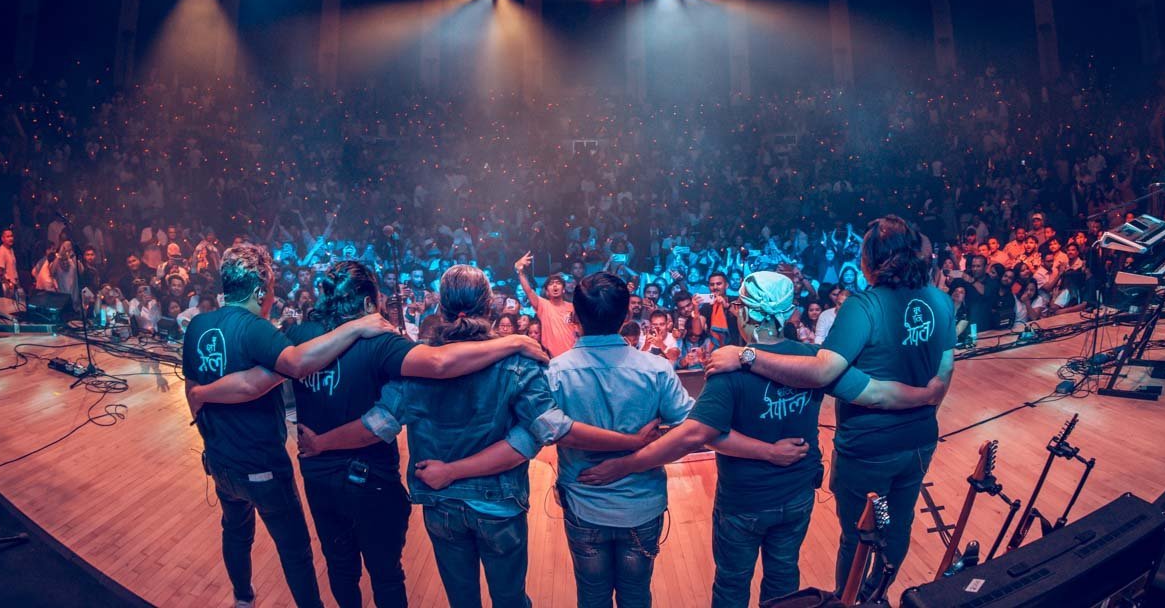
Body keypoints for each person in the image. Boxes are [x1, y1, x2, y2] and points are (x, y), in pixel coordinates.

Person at [187, 260, 553, 608]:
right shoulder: (381, 339)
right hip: (372, 481)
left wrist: (202, 393)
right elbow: (439, 365)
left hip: (318, 478)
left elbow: (254, 383)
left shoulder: (298, 337)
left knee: (340, 568)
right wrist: (513, 342)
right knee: (387, 576)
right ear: (366, 302)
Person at [297, 265, 656, 608]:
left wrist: (322, 443)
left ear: (441, 306)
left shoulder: (416, 364)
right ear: (490, 307)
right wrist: (629, 442)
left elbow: (377, 425)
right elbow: (551, 429)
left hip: (441, 504)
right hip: (498, 505)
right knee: (510, 601)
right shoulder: (518, 359)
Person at [708, 216, 955, 597]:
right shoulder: (939, 298)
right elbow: (944, 367)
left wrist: (747, 355)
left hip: (870, 446)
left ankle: (851, 599)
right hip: (921, 439)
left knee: (857, 535)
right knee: (898, 528)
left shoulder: (864, 305)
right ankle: (878, 595)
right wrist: (927, 399)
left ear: (872, 258)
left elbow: (826, 373)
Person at [581, 271, 824, 608]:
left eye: (739, 304)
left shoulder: (730, 368)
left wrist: (626, 464)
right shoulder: (813, 358)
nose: (735, 310)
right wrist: (770, 451)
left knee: (732, 585)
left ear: (750, 313)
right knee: (784, 579)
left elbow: (696, 434)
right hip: (798, 494)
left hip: (746, 502)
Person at [181, 243, 394, 608]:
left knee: (235, 530)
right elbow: (295, 364)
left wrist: (207, 420)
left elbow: (195, 390)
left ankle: (243, 600)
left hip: (218, 462)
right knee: (295, 551)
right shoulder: (257, 330)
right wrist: (358, 326)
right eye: (273, 286)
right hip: (261, 466)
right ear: (261, 290)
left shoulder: (199, 324)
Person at [516, 251, 577, 358]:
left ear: (563, 290)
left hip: (572, 356)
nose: (555, 286)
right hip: (551, 358)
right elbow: (529, 291)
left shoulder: (572, 307)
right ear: (547, 291)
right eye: (551, 284)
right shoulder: (543, 305)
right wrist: (520, 270)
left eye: (558, 283)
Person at [0, 229, 20, 300]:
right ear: (2, 239)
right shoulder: (1, 252)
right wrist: (8, 285)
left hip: (14, 284)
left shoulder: (11, 249)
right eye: (8, 236)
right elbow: (0, 272)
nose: (11, 238)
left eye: (11, 236)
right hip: (8, 287)